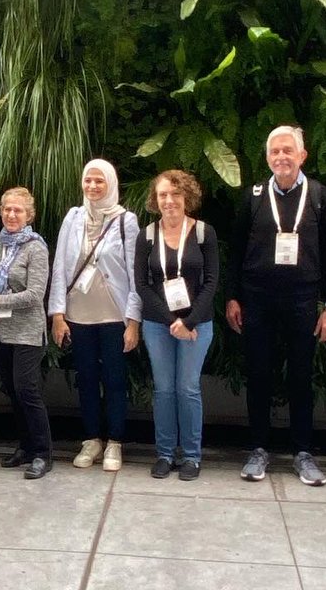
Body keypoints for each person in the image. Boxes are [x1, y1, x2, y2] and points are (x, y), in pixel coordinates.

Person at [224, 125, 326, 486]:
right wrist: (232, 296)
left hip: (303, 300)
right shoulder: (253, 197)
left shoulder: (320, 196)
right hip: (257, 300)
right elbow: (236, 249)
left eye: (288, 150)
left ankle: (303, 453)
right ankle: (258, 449)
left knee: (301, 377)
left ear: (302, 155)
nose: (281, 157)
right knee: (259, 374)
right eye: (275, 151)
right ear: (267, 157)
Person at [48, 158, 141, 473]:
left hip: (115, 315)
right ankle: (91, 439)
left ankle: (115, 441)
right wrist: (57, 314)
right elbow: (59, 267)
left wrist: (134, 320)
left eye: (99, 181)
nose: (93, 186)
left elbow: (134, 273)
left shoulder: (126, 221)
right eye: (88, 180)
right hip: (79, 314)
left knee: (115, 380)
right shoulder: (73, 218)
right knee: (86, 379)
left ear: (111, 183)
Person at [135, 169, 219, 481]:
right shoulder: (146, 235)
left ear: (187, 197)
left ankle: (192, 456)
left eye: (175, 194)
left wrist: (190, 320)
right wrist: (174, 322)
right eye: (163, 195)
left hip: (198, 324)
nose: (169, 200)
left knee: (188, 388)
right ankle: (165, 453)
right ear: (156, 200)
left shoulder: (203, 233)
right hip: (159, 324)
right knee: (164, 390)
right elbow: (142, 285)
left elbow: (211, 282)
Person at [0, 188, 53, 480]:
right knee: (12, 391)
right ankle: (25, 446)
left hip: (27, 331)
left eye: (18, 211)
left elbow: (35, 294)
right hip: (1, 329)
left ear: (29, 215)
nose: (11, 215)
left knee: (27, 390)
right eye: (7, 209)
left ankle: (43, 454)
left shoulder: (36, 247)